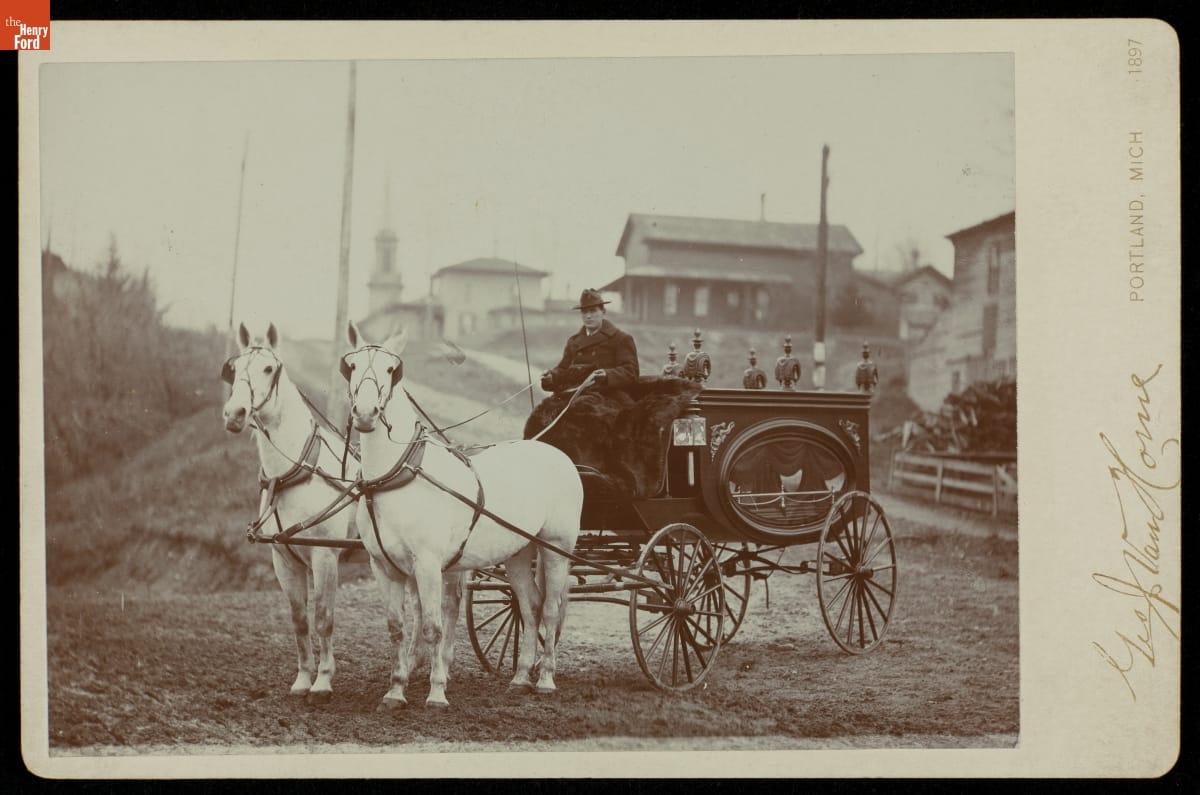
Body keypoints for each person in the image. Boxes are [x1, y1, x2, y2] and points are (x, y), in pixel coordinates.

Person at [540, 288, 639, 394]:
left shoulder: (620, 339)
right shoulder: (574, 342)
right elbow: (563, 370)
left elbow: (631, 371)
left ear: (603, 312)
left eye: (593, 311)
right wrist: (551, 377)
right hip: (572, 393)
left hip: (605, 395)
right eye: (584, 311)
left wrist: (607, 374)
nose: (588, 316)